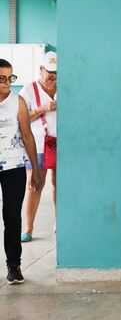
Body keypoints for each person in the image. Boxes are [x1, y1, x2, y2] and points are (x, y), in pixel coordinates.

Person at [0, 59, 41, 285]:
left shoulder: (19, 102)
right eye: (2, 78)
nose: (7, 83)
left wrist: (34, 168)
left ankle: (14, 266)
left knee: (12, 216)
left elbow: (27, 136)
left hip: (14, 166)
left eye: (10, 78)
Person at [19, 52, 57, 242]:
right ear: (41, 69)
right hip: (38, 145)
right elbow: (21, 120)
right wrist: (43, 109)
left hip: (61, 144)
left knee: (60, 185)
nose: (52, 77)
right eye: (49, 72)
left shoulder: (64, 88)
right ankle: (28, 228)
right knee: (35, 185)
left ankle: (60, 224)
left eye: (56, 73)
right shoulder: (28, 90)